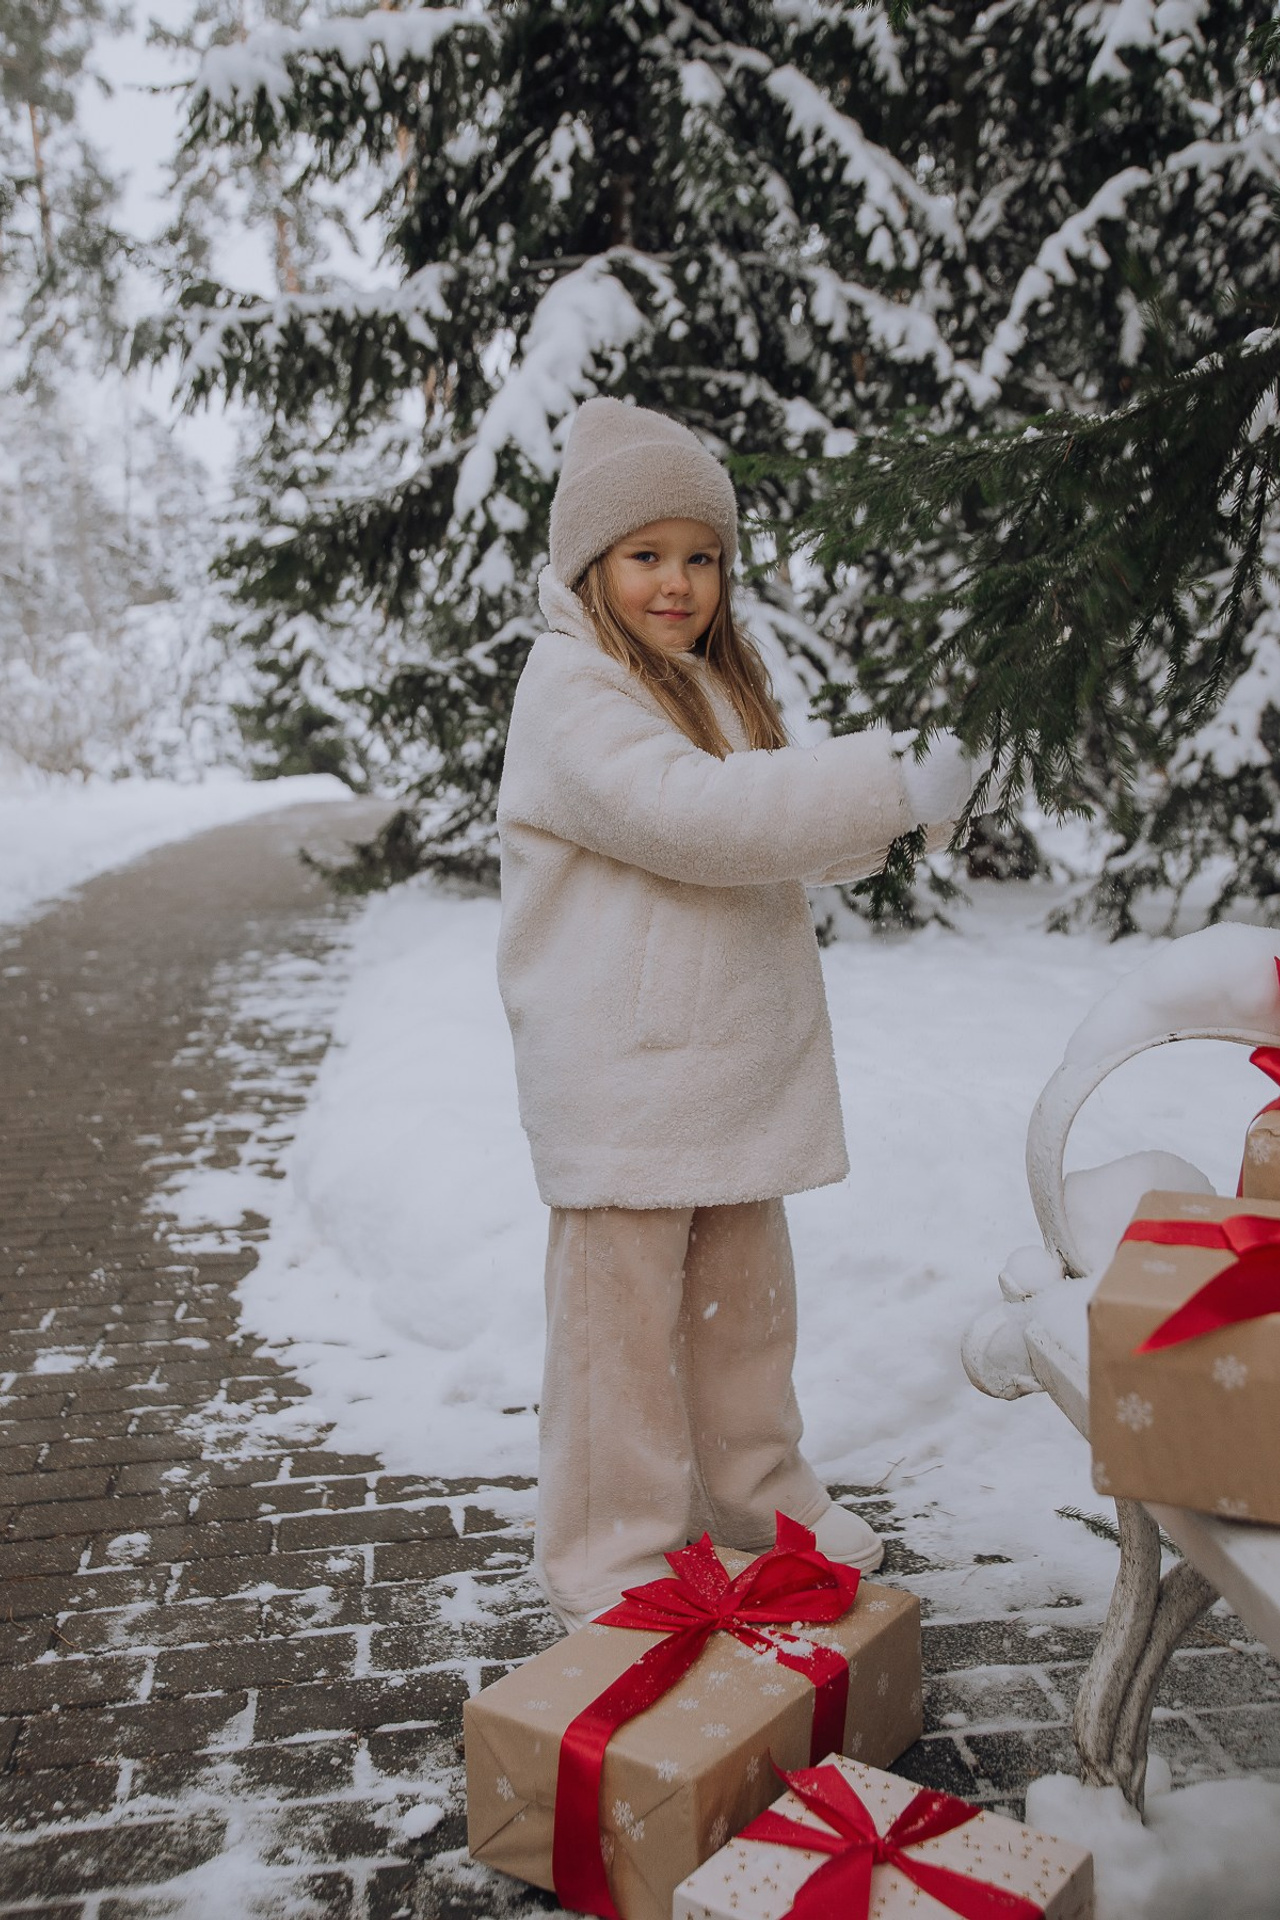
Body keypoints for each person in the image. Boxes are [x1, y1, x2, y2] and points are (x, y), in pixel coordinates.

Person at [496, 398, 980, 1631]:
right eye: (644, 555)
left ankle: (758, 1499)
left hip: (721, 1067)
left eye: (698, 556)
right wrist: (889, 775)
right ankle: (618, 1550)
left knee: (740, 1324)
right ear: (588, 566)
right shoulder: (572, 690)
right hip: (625, 1073)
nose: (675, 583)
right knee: (618, 1350)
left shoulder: (701, 685)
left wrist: (897, 809)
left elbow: (758, 835)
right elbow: (697, 819)